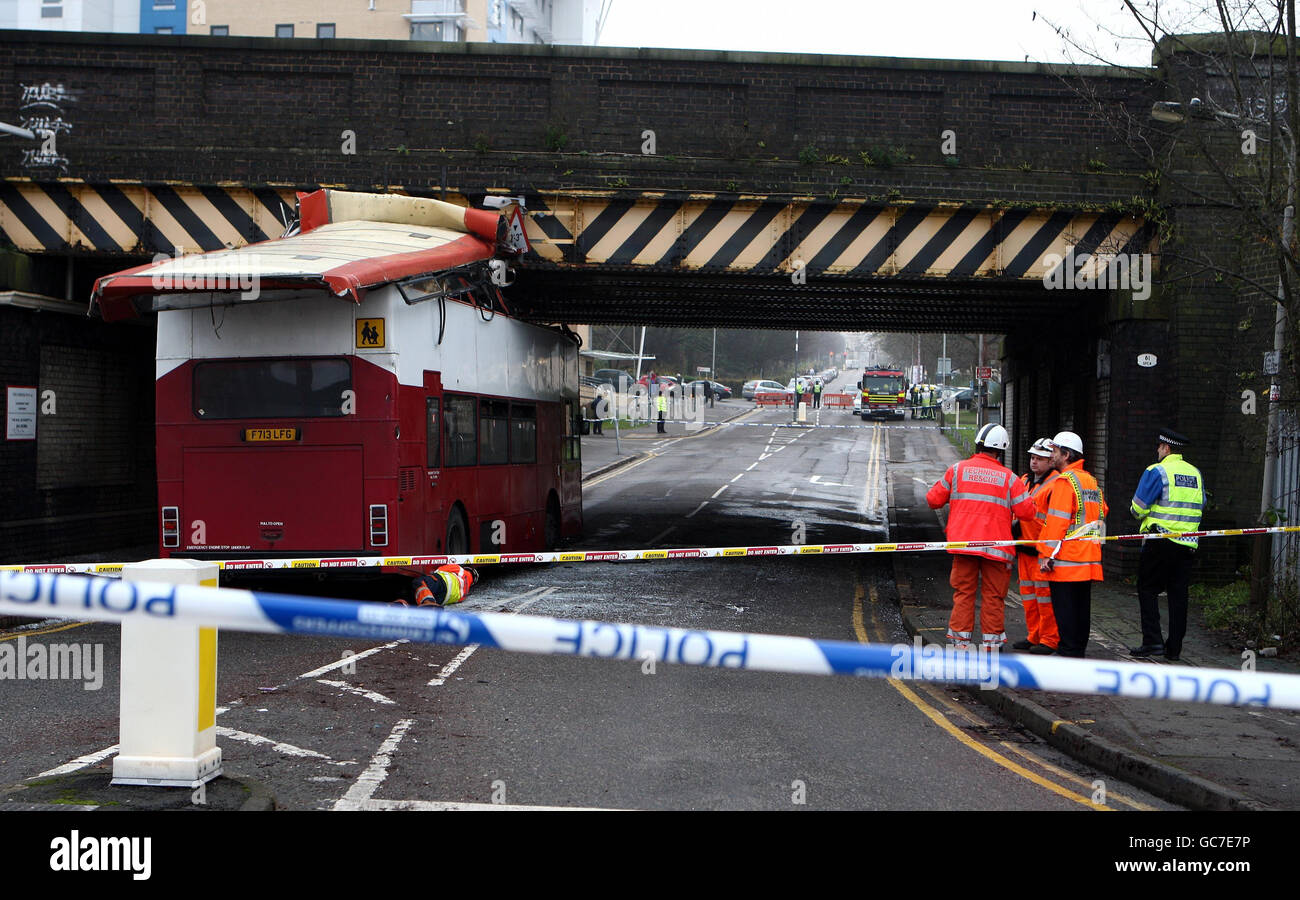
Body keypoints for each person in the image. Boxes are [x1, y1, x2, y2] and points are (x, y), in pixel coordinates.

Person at [927, 423, 1036, 649]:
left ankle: (959, 645)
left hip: (964, 545)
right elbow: (1027, 513)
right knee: (994, 598)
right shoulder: (1011, 479)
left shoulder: (957, 470)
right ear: (1001, 450)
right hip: (997, 549)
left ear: (978, 444)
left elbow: (933, 500)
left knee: (964, 594)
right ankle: (992, 647)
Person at [1128, 428, 1205, 662]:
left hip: (1160, 541)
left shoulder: (1157, 471)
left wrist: (1141, 513)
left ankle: (1152, 641)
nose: (1157, 450)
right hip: (1187, 543)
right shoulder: (1196, 474)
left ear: (1166, 448)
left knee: (1148, 588)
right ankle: (1174, 649)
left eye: (1159, 447)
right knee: (1178, 595)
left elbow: (1138, 508)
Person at [1037, 431, 1108, 658]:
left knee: (1065, 609)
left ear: (1066, 454)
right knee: (1081, 609)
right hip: (1088, 557)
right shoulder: (1090, 481)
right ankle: (1077, 651)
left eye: (1055, 452)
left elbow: (1057, 521)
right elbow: (1102, 511)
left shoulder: (1065, 481)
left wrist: (1047, 553)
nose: (1052, 456)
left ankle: (1068, 653)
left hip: (1067, 559)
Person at [1011, 438, 1060, 654]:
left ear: (1051, 461)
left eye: (1040, 458)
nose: (1034, 462)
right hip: (1024, 548)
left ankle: (1050, 640)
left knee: (1045, 600)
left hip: (1042, 551)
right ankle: (1034, 635)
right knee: (1029, 598)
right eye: (1032, 457)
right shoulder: (1024, 480)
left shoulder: (1057, 483)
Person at [400, 564, 479, 607]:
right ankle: (403, 604)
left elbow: (439, 570)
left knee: (418, 582)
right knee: (417, 594)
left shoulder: (461, 570)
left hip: (442, 582)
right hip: (441, 599)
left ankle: (428, 602)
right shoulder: (465, 593)